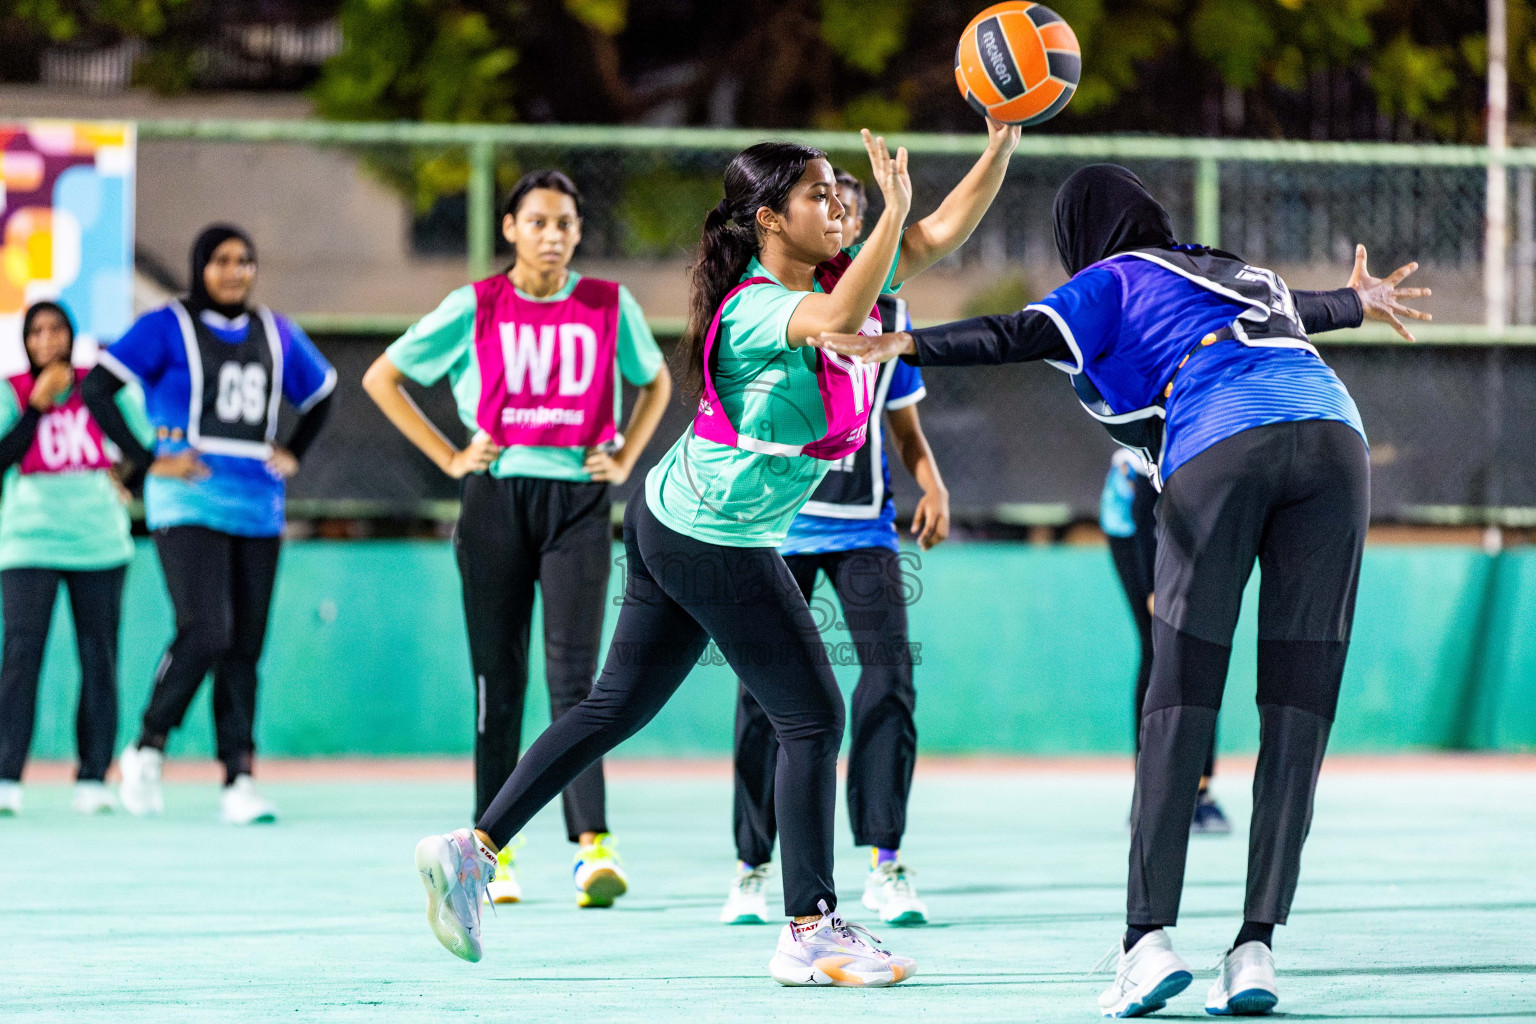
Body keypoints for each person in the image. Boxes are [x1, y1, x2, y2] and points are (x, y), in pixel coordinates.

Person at [411, 121, 1020, 985]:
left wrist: (1001, 139)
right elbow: (844, 316)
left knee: (615, 705)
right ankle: (809, 928)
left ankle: (471, 849)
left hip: (679, 516)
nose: (838, 204)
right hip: (710, 535)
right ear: (769, 219)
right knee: (811, 715)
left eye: (840, 194)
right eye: (819, 194)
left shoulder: (830, 275)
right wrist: (891, 211)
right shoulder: (759, 305)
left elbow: (940, 234)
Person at [811, 164, 1429, 1016]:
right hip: (1335, 444)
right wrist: (1357, 302)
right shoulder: (1231, 270)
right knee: (1298, 709)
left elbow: (1016, 333)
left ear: (1083, 238)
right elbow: (1307, 309)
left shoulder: (1110, 280)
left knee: (1179, 699)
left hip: (1224, 444)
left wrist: (907, 343)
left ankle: (1147, 942)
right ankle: (1256, 949)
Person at [363, 169, 672, 908]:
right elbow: (383, 378)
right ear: (509, 229)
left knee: (578, 683)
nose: (553, 236)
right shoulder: (475, 305)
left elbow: (656, 381)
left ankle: (592, 846)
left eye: (565, 223)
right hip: (495, 498)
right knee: (496, 685)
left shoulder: (607, 303)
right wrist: (448, 456)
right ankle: (490, 853)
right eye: (537, 222)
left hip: (579, 503)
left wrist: (626, 454)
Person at [721, 168, 949, 928]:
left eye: (847, 209)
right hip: (778, 528)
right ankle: (752, 865)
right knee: (764, 696)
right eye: (824, 205)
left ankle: (885, 860)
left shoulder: (891, 309)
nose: (838, 219)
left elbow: (905, 424)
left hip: (866, 530)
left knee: (889, 681)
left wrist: (933, 482)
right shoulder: (782, 307)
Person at [82, 224, 336, 825]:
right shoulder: (165, 326)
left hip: (258, 503)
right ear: (200, 267)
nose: (235, 271)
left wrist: (295, 450)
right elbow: (96, 387)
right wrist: (146, 462)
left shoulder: (277, 333)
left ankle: (238, 778)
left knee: (245, 645)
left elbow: (324, 392)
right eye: (221, 260)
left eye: (245, 260)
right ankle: (147, 744)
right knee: (207, 628)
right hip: (187, 498)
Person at [0, 301, 150, 816]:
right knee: (21, 657)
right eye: (36, 331)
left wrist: (125, 479)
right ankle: (6, 778)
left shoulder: (99, 386)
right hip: (28, 541)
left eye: (57, 329)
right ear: (26, 339)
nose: (47, 339)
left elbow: (144, 443)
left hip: (98, 541)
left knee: (99, 658)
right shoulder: (12, 390)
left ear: (71, 335)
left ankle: (92, 777)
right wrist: (37, 407)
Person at [1100, 448, 1228, 834]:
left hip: (1193, 521)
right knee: (1159, 649)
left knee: (1205, 648)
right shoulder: (1169, 417)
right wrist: (1154, 586)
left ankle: (1200, 790)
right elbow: (1145, 503)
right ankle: (1150, 790)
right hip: (1137, 522)